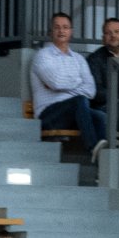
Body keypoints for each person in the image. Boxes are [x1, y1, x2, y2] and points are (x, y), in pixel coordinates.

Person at [30, 12, 106, 154]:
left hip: (76, 114)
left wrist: (62, 85)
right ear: (50, 32)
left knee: (100, 116)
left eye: (65, 27)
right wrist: (78, 81)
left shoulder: (79, 59)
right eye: (57, 27)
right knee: (79, 101)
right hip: (49, 116)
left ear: (71, 31)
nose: (61, 31)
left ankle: (102, 157)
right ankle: (92, 147)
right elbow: (56, 82)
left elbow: (91, 90)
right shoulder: (42, 56)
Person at [86, 16, 119, 115]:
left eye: (117, 32)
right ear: (103, 39)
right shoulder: (94, 59)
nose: (113, 35)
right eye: (108, 33)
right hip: (105, 107)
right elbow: (96, 91)